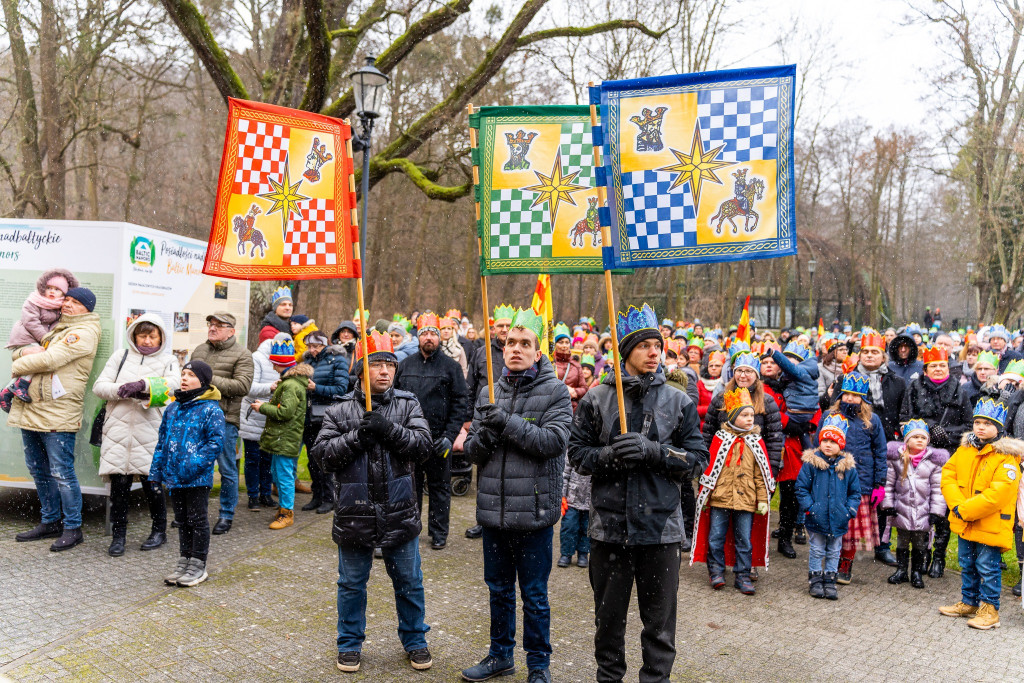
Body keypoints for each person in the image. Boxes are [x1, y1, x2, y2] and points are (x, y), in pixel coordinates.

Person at [568, 303, 709, 683]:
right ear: (626, 350)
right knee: (608, 623)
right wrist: (610, 456)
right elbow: (577, 454)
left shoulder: (679, 401)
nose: (654, 353)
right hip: (609, 529)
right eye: (645, 345)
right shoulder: (597, 398)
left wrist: (656, 453)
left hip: (661, 530)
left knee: (660, 627)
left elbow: (697, 459)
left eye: (657, 346)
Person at [312, 330, 434, 672]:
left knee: (409, 583)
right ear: (361, 370)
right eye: (377, 364)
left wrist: (387, 430)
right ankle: (349, 644)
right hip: (355, 513)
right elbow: (322, 456)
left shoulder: (407, 404)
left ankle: (415, 640)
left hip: (400, 512)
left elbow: (422, 447)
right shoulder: (339, 410)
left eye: (390, 365)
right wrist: (357, 437)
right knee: (351, 585)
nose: (385, 371)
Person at [460, 308, 571, 683]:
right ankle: (500, 656)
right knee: (499, 591)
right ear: (502, 347)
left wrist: (504, 422)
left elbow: (553, 443)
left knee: (534, 596)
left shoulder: (555, 391)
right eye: (510, 343)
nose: (516, 349)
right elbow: (473, 451)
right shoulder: (488, 389)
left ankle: (538, 666)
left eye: (525, 344)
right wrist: (488, 431)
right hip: (494, 511)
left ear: (538, 353)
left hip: (534, 512)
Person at [8, 287, 100, 551]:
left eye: (75, 302)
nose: (67, 305)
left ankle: (73, 527)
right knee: (38, 469)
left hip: (58, 413)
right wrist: (23, 354)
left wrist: (18, 363)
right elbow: (23, 349)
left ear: (87, 308)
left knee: (61, 472)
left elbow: (49, 360)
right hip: (34, 409)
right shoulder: (58, 330)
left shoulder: (83, 333)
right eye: (66, 300)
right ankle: (50, 521)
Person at [93, 313, 179, 556]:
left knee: (152, 485)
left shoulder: (168, 359)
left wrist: (143, 386)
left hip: (150, 429)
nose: (148, 340)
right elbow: (99, 387)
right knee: (119, 486)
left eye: (153, 336)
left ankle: (159, 531)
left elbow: (173, 384)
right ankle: (118, 536)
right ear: (134, 335)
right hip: (118, 430)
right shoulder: (120, 356)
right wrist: (123, 390)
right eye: (143, 335)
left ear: (161, 337)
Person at [938, 399, 1023, 630]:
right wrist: (957, 505)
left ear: (999, 427)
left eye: (987, 423)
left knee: (987, 566)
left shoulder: (1006, 457)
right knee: (967, 562)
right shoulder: (965, 449)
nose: (980, 427)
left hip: (990, 522)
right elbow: (949, 475)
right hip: (965, 519)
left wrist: (965, 510)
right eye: (977, 422)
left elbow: (999, 494)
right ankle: (969, 602)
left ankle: (990, 609)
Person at [690, 387, 775, 595]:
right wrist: (706, 494)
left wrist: (763, 499)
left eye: (752, 415)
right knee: (715, 537)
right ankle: (716, 572)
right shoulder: (720, 439)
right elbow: (711, 470)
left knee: (744, 539)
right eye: (744, 415)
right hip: (720, 498)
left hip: (747, 500)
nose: (749, 419)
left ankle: (743, 575)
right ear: (733, 417)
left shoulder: (756, 441)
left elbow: (761, 474)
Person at [395, 312, 468, 550]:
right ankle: (411, 528)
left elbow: (460, 403)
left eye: (433, 334)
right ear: (417, 336)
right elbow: (394, 401)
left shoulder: (451, 367)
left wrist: (449, 436)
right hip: (410, 440)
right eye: (424, 333)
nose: (429, 338)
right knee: (409, 488)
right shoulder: (404, 365)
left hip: (439, 439)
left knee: (439, 488)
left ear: (439, 338)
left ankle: (439, 532)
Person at [899, 345, 973, 577]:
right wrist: (928, 430)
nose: (938, 369)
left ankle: (939, 555)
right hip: (919, 457)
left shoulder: (959, 391)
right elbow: (904, 419)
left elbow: (969, 426)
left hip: (948, 457)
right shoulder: (914, 388)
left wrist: (947, 435)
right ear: (926, 369)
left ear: (948, 367)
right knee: (918, 506)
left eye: (942, 365)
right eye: (934, 366)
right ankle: (921, 556)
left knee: (942, 507)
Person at [149, 360, 225, 588]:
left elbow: (216, 442)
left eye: (190, 374)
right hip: (174, 477)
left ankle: (198, 564)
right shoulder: (173, 408)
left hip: (196, 477)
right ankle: (185, 559)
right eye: (183, 374)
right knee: (181, 521)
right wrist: (155, 473)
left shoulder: (210, 409)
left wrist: (191, 465)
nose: (184, 378)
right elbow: (162, 443)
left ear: (202, 380)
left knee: (197, 519)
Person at [190, 311, 254, 536]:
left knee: (227, 469)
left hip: (225, 419)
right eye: (210, 323)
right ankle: (194, 512)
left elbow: (242, 386)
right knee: (196, 466)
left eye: (219, 325)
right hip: (196, 416)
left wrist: (207, 379)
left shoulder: (243, 355)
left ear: (231, 331)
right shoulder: (200, 350)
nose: (212, 327)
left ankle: (226, 514)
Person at [820, 372, 887, 585]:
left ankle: (845, 563)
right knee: (832, 523)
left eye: (855, 396)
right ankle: (829, 561)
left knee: (850, 528)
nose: (850, 399)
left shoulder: (872, 421)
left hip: (861, 481)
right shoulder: (828, 416)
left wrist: (879, 483)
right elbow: (817, 446)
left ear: (863, 399)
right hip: (831, 479)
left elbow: (880, 452)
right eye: (847, 394)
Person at [795, 414, 859, 600]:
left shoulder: (848, 468)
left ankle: (830, 581)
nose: (828, 444)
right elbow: (801, 488)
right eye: (825, 440)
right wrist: (810, 508)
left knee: (834, 551)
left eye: (833, 441)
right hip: (817, 516)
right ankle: (815, 580)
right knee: (816, 549)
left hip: (839, 518)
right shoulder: (811, 465)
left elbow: (855, 493)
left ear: (841, 445)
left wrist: (849, 511)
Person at [463, 304, 514, 540]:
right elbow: (471, 386)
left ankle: (511, 518)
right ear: (493, 329)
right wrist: (467, 417)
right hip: (485, 418)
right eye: (500, 326)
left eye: (508, 326)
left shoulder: (518, 350)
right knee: (484, 473)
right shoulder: (481, 352)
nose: (504, 330)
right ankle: (483, 520)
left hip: (514, 418)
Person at [881, 420, 949, 589]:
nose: (920, 440)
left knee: (920, 544)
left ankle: (917, 572)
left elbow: (937, 490)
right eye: (915, 437)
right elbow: (888, 485)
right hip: (901, 509)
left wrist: (936, 511)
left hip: (923, 511)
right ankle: (902, 570)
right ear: (907, 440)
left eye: (923, 438)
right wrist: (888, 504)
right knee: (902, 542)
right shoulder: (896, 460)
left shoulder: (934, 463)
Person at [253, 338, 313, 530]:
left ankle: (287, 513)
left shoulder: (290, 385)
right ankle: (283, 508)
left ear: (280, 364)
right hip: (282, 438)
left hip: (285, 438)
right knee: (279, 474)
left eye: (274, 362)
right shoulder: (291, 383)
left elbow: (284, 413)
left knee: (284, 476)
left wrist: (263, 407)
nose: (271, 365)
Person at [1, 268, 78, 410]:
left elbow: (55, 325)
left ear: (64, 292)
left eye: (57, 289)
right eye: (49, 288)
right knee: (38, 358)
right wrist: (46, 338)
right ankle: (20, 385)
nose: (52, 291)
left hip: (39, 338)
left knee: (38, 360)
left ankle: (7, 391)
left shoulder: (59, 307)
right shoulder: (34, 300)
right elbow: (30, 322)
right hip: (25, 335)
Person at [300, 330, 350, 513]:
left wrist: (316, 388)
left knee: (326, 458)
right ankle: (317, 495)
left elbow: (341, 389)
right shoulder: (308, 362)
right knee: (313, 459)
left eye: (316, 346)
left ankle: (330, 498)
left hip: (328, 417)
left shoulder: (337, 360)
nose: (312, 350)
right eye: (310, 346)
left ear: (325, 345)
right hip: (309, 416)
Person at [240, 333, 282, 511]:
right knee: (252, 459)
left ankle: (265, 494)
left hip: (271, 417)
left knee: (267, 459)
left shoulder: (285, 360)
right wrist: (271, 387)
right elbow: (248, 388)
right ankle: (252, 496)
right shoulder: (256, 358)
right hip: (253, 416)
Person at [770, 342, 820, 443]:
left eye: (789, 358)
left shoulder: (799, 371)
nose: (785, 361)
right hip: (806, 412)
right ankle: (810, 455)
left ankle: (780, 447)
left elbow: (789, 367)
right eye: (785, 357)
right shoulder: (803, 374)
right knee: (804, 437)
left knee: (780, 434)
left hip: (796, 411)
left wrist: (774, 354)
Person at [558, 457, 592, 569]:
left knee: (587, 529)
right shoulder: (573, 450)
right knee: (569, 527)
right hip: (571, 499)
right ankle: (566, 553)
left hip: (590, 501)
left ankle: (583, 553)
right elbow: (565, 474)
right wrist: (563, 495)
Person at [551, 323, 589, 411]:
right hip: (553, 408)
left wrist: (574, 392)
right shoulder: (549, 363)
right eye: (561, 342)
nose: (564, 345)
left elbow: (585, 388)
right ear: (555, 345)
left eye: (567, 342)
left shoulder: (576, 365)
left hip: (572, 409)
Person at [697, 350, 725, 428]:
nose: (713, 368)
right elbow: (695, 409)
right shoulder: (700, 383)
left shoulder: (726, 384)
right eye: (711, 366)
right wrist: (712, 409)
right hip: (703, 425)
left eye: (717, 366)